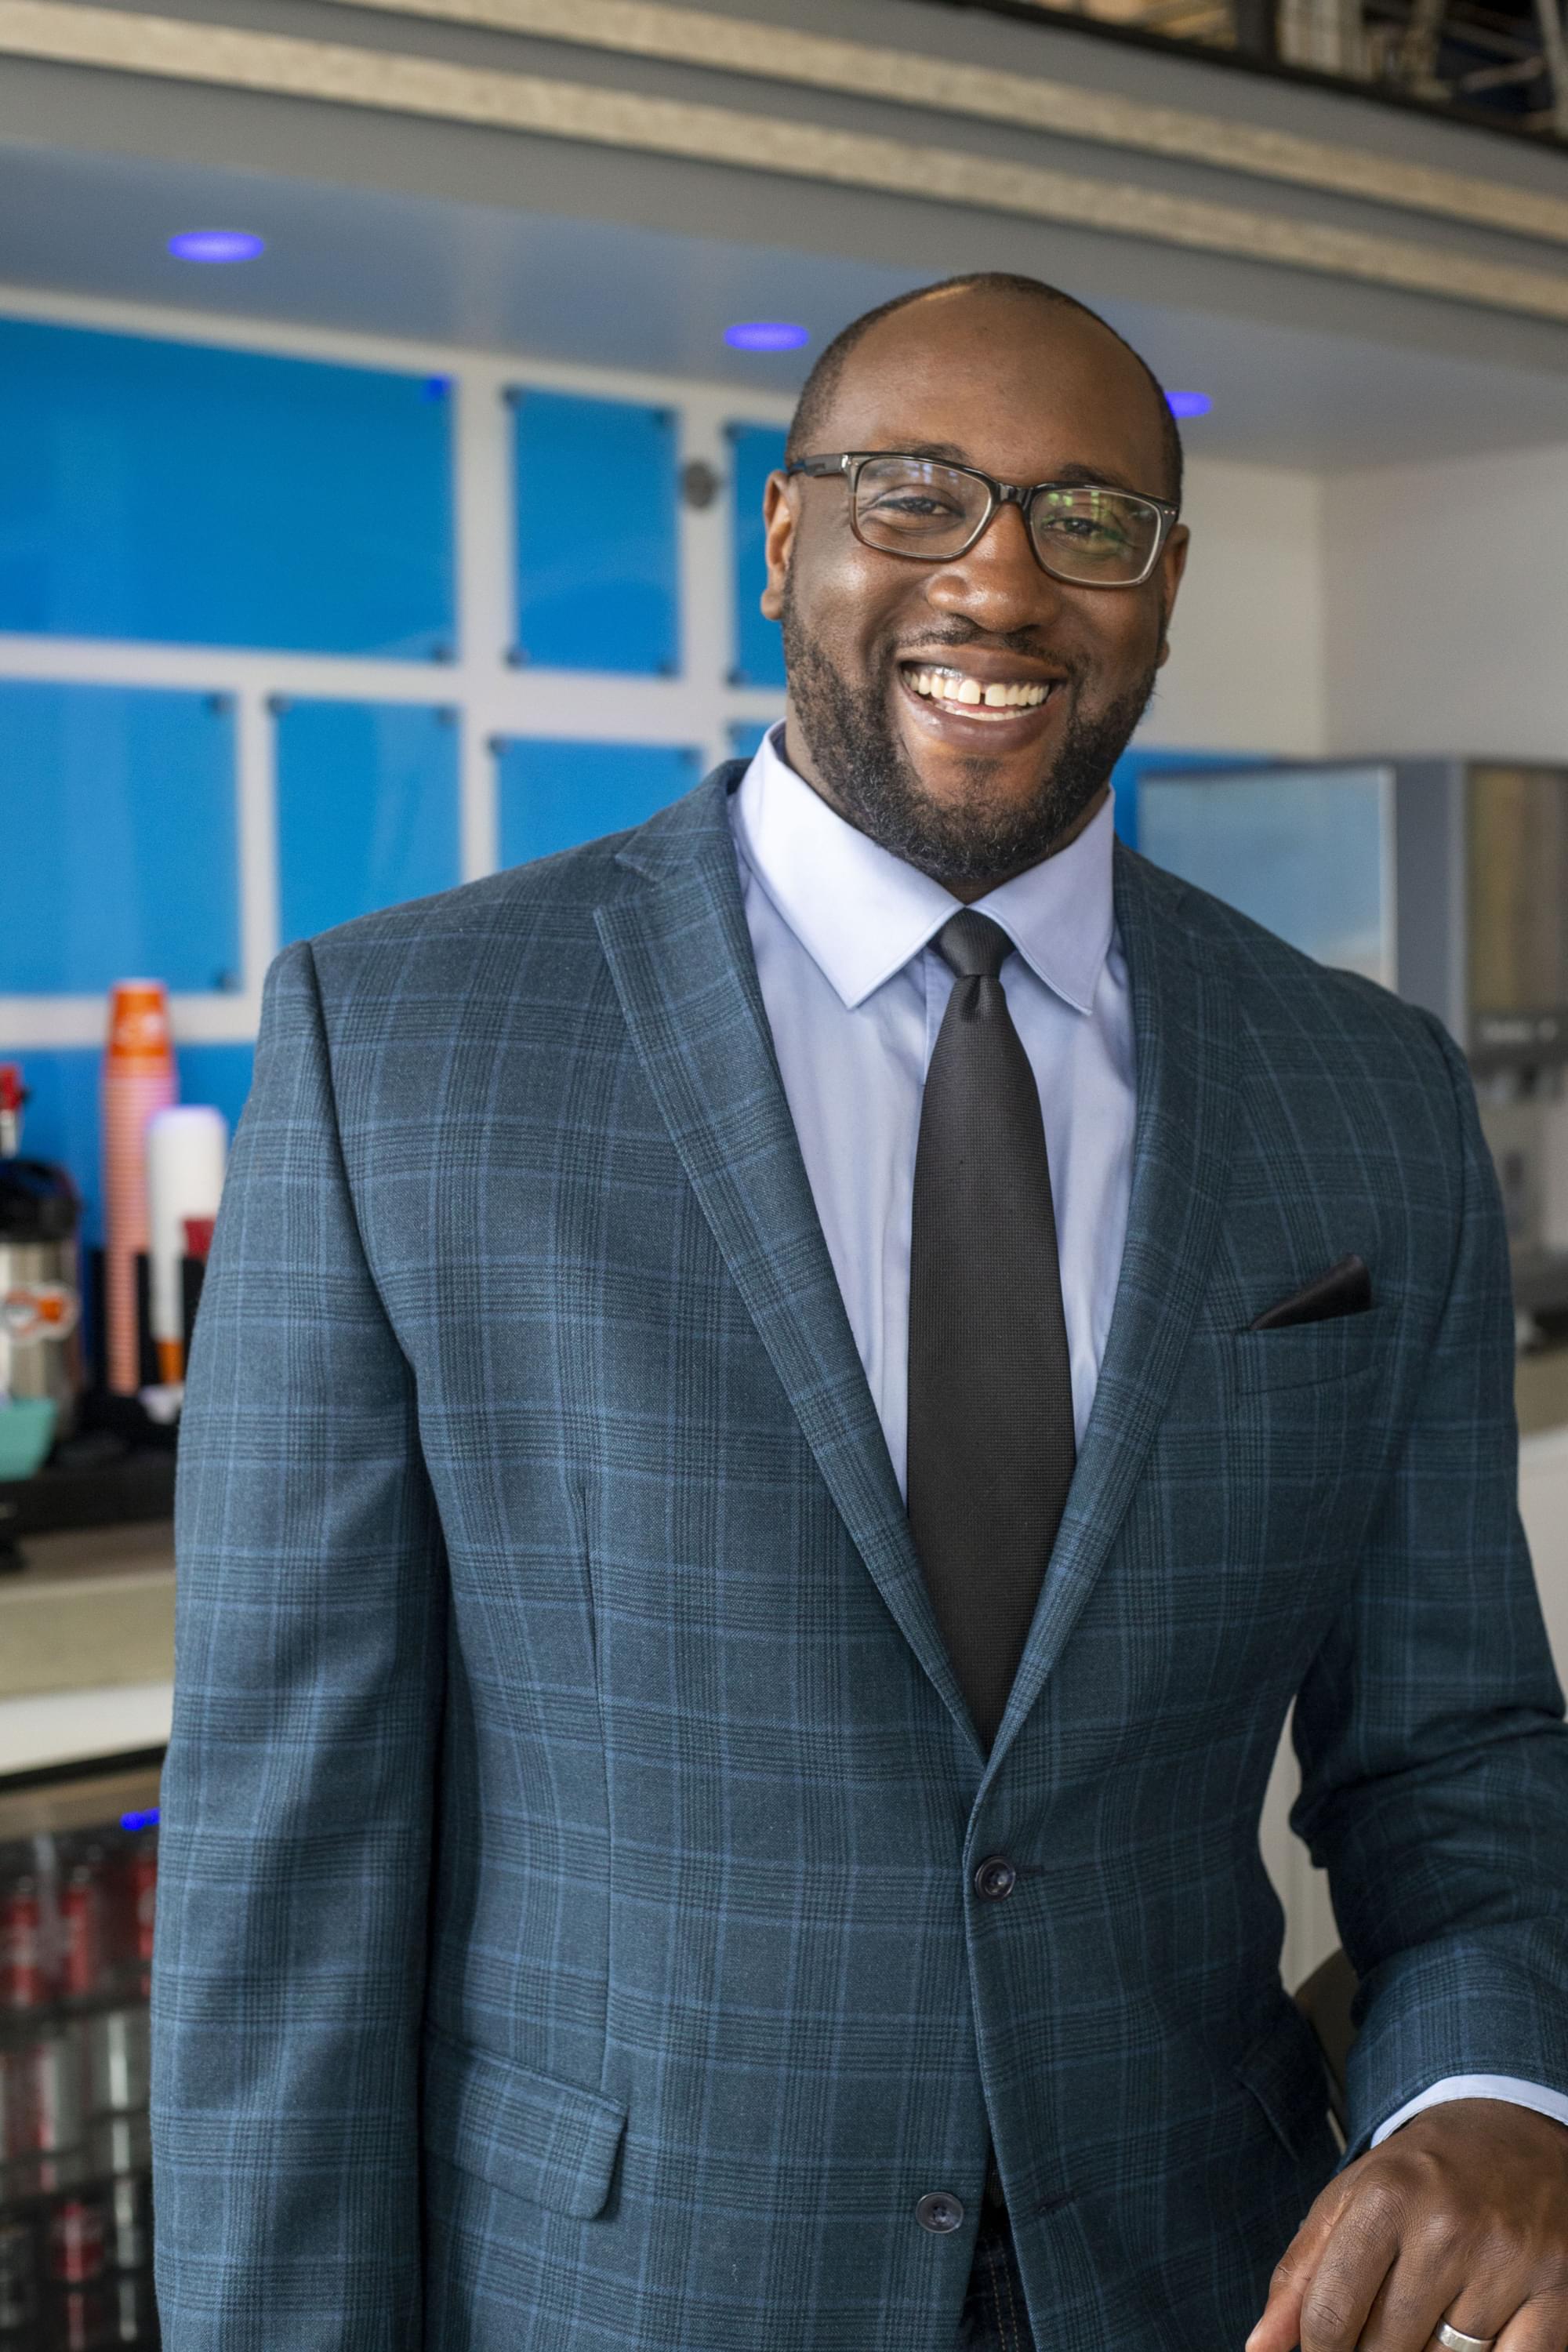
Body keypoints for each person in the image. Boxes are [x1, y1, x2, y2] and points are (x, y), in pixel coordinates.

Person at [150, 274, 1568, 2352]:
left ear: (1165, 591)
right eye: (916, 495)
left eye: (1090, 519)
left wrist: (1497, 2089)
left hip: (1201, 2276)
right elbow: (288, 1863)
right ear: (782, 536)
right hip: (624, 2291)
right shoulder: (406, 1044)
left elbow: (1453, 1751)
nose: (1000, 579)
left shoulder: (1363, 1089)